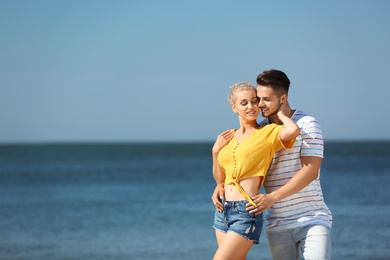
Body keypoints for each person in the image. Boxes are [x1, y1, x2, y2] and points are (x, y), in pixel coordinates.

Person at [212, 69, 333, 259]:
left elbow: (310, 172)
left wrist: (272, 198)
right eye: (257, 99)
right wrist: (221, 185)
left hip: (311, 218)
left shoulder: (308, 124)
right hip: (277, 222)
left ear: (283, 98)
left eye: (265, 99)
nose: (259, 104)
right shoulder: (261, 129)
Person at [212, 82, 299, 260]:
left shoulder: (267, 133)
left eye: (254, 101)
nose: (251, 107)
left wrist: (280, 114)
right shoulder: (227, 137)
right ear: (233, 107)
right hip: (222, 211)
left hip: (246, 211)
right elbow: (221, 180)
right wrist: (215, 152)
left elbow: (293, 130)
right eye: (244, 103)